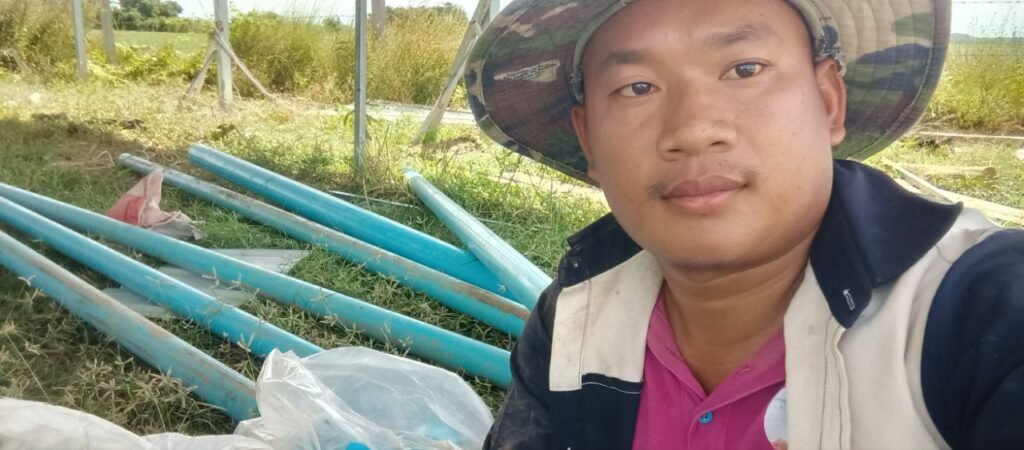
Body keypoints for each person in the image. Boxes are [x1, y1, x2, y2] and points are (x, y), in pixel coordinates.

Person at [464, 0, 1024, 448]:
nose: (693, 128)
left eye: (744, 68)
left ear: (828, 100)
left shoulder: (984, 312)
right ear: (589, 140)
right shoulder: (578, 311)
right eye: (637, 87)